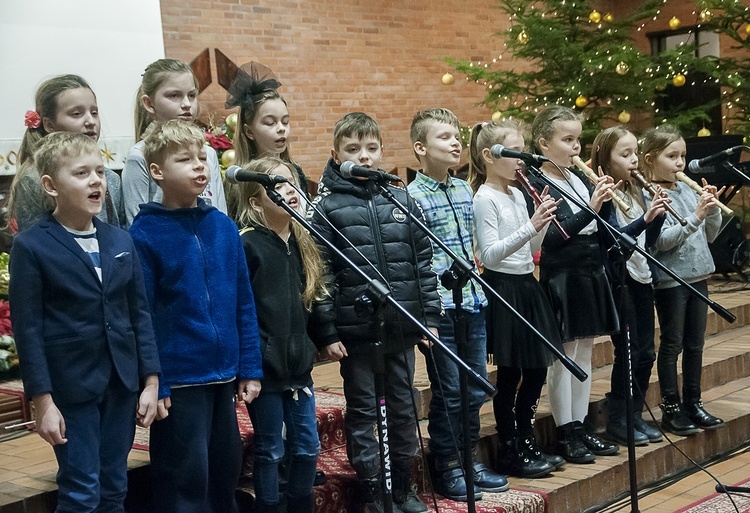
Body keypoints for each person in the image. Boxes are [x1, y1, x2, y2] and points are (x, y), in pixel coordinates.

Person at [8, 131, 160, 513]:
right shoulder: (32, 245)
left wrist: (151, 381)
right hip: (70, 386)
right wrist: (42, 401)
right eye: (81, 173)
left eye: (100, 171)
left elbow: (139, 314)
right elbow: (28, 330)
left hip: (121, 383)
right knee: (81, 490)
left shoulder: (120, 240)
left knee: (113, 486)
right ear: (50, 185)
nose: (97, 180)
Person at [310, 112, 442, 513]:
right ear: (336, 155)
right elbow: (323, 274)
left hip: (401, 328)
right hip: (357, 332)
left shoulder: (400, 198)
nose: (364, 157)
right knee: (364, 409)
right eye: (353, 150)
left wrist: (429, 317)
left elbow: (422, 262)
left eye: (371, 148)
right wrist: (329, 331)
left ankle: (402, 484)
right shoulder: (328, 207)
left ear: (383, 150)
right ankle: (371, 486)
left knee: (403, 408)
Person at [129, 120, 262, 513]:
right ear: (157, 172)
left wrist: (250, 367)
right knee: (185, 477)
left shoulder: (222, 226)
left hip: (224, 375)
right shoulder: (145, 234)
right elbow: (144, 316)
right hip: (180, 379)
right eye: (184, 159)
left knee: (225, 470)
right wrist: (158, 382)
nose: (199, 166)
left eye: (202, 157)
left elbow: (243, 302)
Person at [406, 108, 508, 500]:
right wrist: (427, 313)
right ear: (420, 148)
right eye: (444, 137)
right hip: (441, 309)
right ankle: (447, 463)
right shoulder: (411, 197)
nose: (454, 142)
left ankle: (469, 458)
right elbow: (417, 262)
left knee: (476, 387)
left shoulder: (465, 189)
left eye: (456, 135)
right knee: (449, 390)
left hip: (474, 302)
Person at [468, 119, 564, 478]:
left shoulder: (519, 193)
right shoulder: (484, 198)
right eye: (514, 152)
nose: (522, 160)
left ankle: (527, 438)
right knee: (510, 373)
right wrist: (530, 226)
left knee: (538, 368)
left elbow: (531, 249)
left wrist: (541, 224)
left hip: (527, 284)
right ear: (489, 156)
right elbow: (490, 255)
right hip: (502, 287)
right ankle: (510, 447)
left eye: (524, 151)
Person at [232, 156, 325, 513]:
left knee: (307, 446)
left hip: (299, 367)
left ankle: (300, 506)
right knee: (270, 449)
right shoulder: (248, 244)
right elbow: (243, 310)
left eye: (291, 182)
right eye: (276, 185)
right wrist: (251, 363)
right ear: (256, 202)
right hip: (265, 370)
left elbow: (313, 301)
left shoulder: (304, 240)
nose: (288, 189)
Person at [528, 105, 620, 463]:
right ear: (543, 143)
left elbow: (599, 229)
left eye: (577, 139)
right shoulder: (537, 181)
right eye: (567, 140)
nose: (576, 147)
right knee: (563, 358)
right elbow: (553, 237)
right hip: (562, 275)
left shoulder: (578, 178)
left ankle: (581, 426)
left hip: (590, 271)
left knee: (585, 352)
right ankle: (565, 431)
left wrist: (606, 205)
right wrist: (593, 207)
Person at [641, 124, 725, 435]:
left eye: (683, 156)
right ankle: (671, 408)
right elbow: (661, 242)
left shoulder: (688, 190)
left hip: (699, 275)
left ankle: (694, 402)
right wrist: (696, 217)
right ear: (651, 159)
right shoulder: (650, 193)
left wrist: (711, 210)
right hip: (671, 281)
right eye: (672, 156)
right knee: (672, 344)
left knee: (695, 344)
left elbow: (709, 236)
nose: (680, 163)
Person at [590, 126, 668, 446]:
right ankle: (619, 419)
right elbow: (615, 244)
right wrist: (644, 220)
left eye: (635, 152)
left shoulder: (636, 189)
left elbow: (645, 242)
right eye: (625, 154)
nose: (634, 160)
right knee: (629, 352)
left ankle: (636, 414)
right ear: (605, 160)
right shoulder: (604, 194)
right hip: (618, 281)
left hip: (642, 277)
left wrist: (657, 215)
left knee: (646, 352)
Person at [8, 74, 125, 232]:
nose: (90, 121)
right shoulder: (34, 179)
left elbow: (119, 235)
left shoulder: (110, 179)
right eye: (76, 114)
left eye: (94, 113)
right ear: (49, 125)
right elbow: (33, 245)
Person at [122, 59, 227, 226]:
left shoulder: (208, 154)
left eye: (192, 95)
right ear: (149, 103)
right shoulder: (140, 155)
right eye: (174, 95)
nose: (186, 104)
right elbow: (136, 222)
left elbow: (220, 214)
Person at [225, 62, 309, 218]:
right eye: (270, 123)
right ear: (249, 131)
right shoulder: (240, 180)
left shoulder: (295, 171)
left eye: (285, 121)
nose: (281, 128)